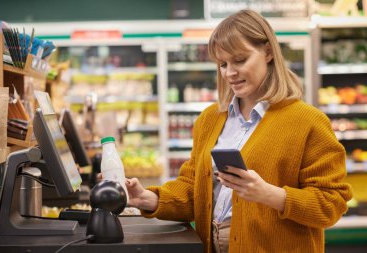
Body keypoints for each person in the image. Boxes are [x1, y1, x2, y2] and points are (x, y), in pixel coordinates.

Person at [124, 9, 352, 253]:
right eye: (223, 64)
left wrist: (270, 194)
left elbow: (331, 204)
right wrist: (146, 199)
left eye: (240, 60)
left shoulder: (308, 121)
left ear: (267, 52)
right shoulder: (210, 119)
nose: (230, 73)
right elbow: (194, 190)